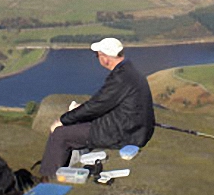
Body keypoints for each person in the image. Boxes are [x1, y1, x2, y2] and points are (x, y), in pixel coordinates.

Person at [39, 37, 155, 178]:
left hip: (124, 133)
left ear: (105, 58)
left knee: (60, 134)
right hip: (133, 128)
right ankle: (61, 169)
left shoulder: (120, 77)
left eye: (97, 55)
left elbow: (96, 106)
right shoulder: (129, 70)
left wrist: (63, 120)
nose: (97, 58)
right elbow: (104, 102)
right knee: (77, 123)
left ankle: (46, 180)